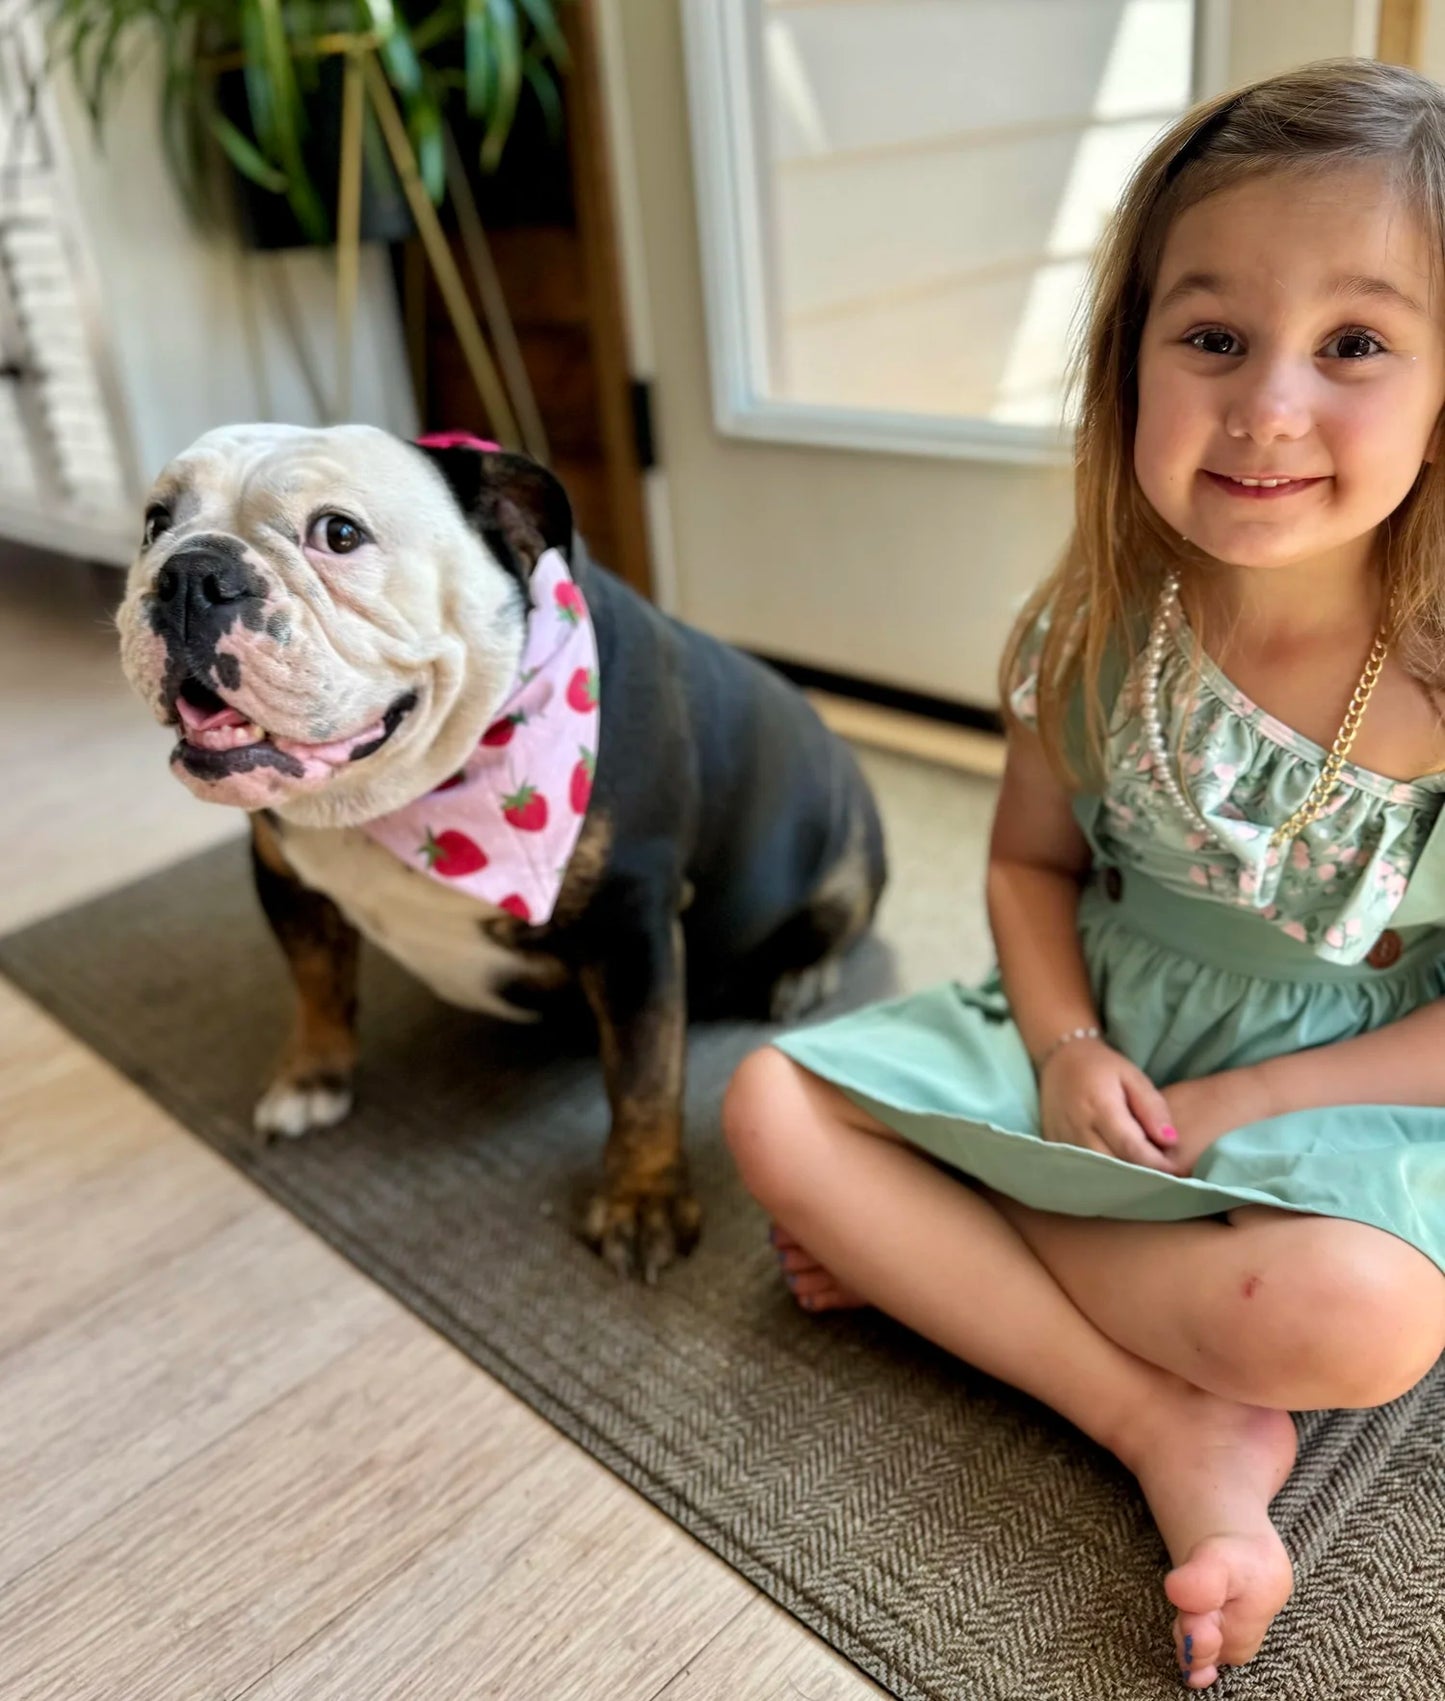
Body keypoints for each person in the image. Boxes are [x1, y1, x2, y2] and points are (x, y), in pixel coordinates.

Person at [722, 58, 1445, 1690]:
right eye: (1209, 338)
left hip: (1341, 1096)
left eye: (1352, 344)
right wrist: (1057, 1050)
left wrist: (1261, 1100)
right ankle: (1159, 1418)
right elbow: (1025, 864)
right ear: (1127, 364)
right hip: (1094, 1045)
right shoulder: (1089, 629)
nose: (1265, 404)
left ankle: (951, 1241)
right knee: (766, 1105)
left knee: (1373, 1323)